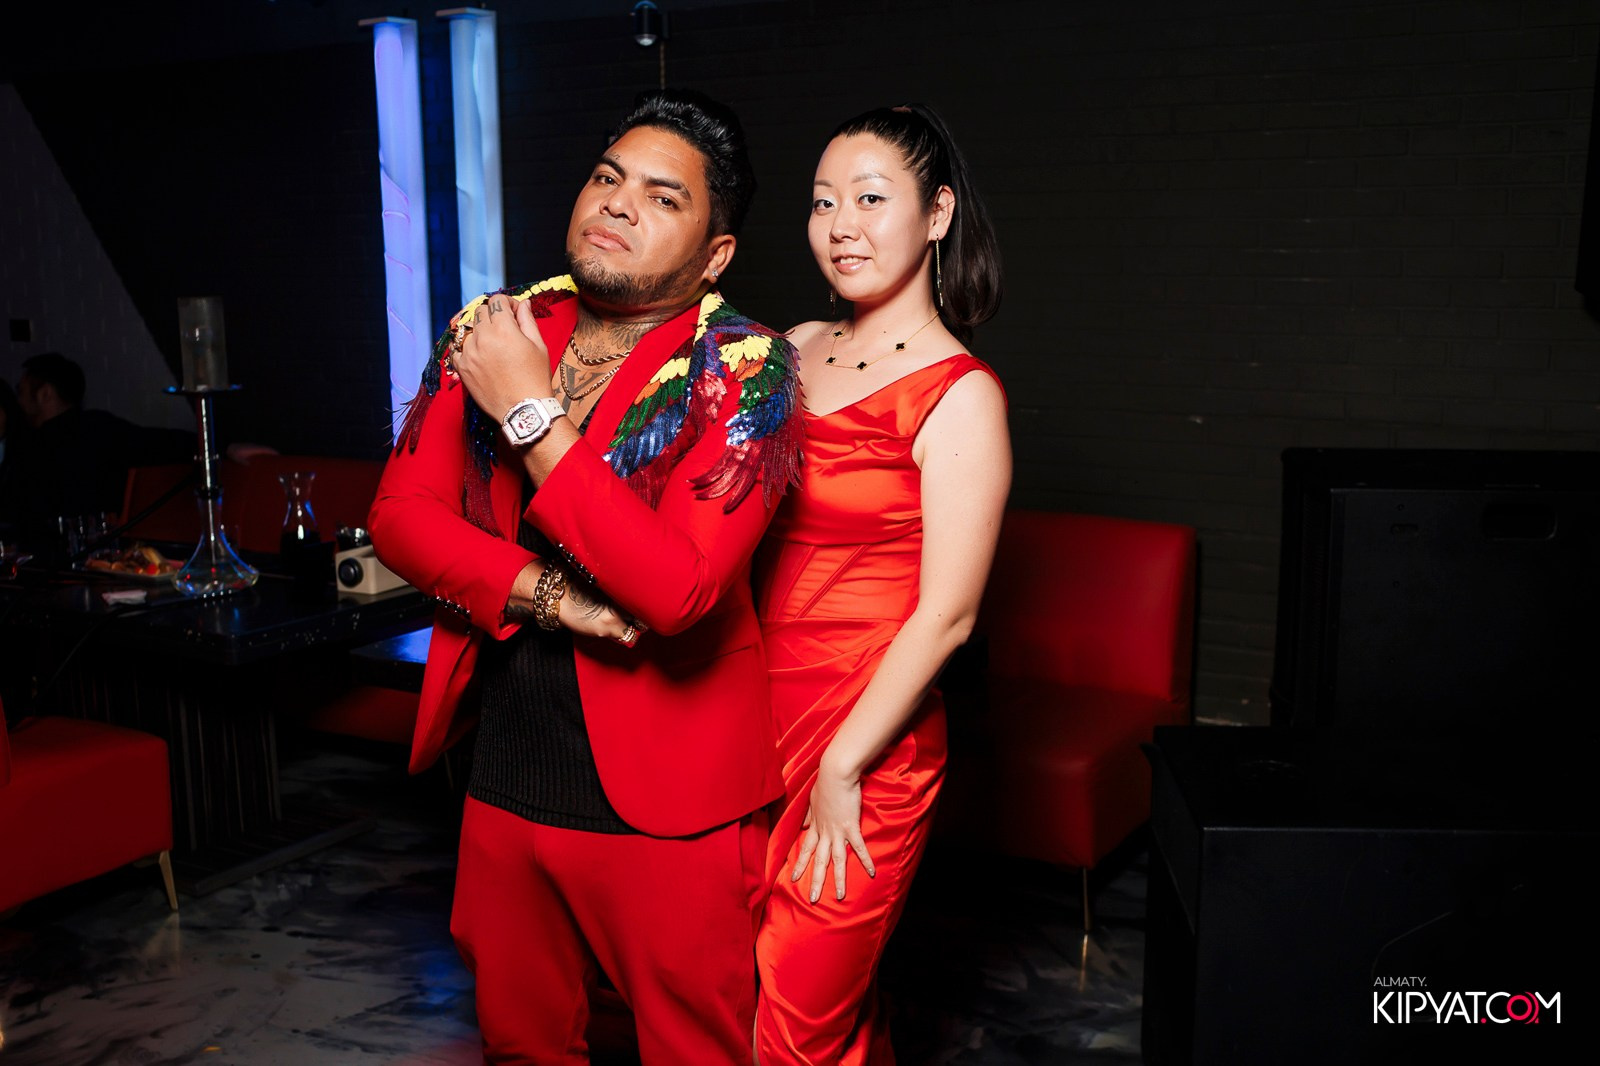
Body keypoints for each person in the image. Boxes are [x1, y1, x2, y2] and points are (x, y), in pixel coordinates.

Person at [368, 89, 802, 1065]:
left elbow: (677, 587)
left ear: (716, 254)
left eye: (662, 196)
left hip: (669, 799)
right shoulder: (497, 329)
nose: (617, 202)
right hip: (504, 773)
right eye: (608, 177)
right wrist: (548, 595)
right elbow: (398, 516)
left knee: (694, 1052)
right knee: (519, 1045)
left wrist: (528, 414)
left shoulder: (748, 369)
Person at [753, 104, 1010, 1063]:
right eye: (824, 202)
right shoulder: (792, 346)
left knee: (794, 1025)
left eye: (869, 199)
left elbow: (949, 616)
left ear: (937, 214)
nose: (840, 226)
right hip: (748, 720)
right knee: (743, 1001)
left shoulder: (961, 394)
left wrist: (842, 767)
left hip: (864, 743)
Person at [0, 352, 193, 550]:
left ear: (45, 394)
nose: (18, 401)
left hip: (61, 555)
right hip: (99, 553)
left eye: (20, 391)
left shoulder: (31, 447)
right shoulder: (100, 428)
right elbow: (162, 443)